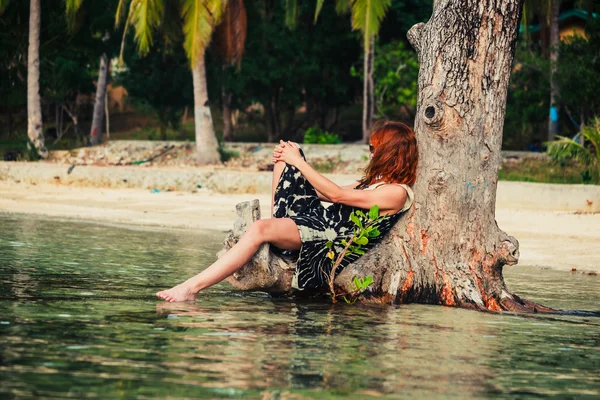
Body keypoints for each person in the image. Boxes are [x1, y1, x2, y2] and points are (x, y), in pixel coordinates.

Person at [156, 120, 418, 302]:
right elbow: (328, 193)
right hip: (320, 223)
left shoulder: (396, 192)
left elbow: (338, 196)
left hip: (328, 240)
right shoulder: (374, 184)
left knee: (259, 228)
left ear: (389, 152)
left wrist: (299, 164)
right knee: (288, 153)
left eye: (374, 148)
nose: (370, 154)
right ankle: (277, 228)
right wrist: (291, 171)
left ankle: (191, 288)